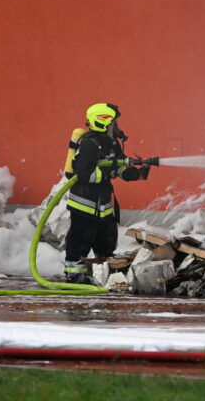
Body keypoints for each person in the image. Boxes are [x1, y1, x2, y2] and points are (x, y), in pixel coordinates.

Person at [63, 103, 150, 283]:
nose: (117, 127)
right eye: (114, 123)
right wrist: (109, 172)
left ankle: (103, 271)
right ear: (103, 122)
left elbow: (117, 167)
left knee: (107, 240)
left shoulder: (111, 144)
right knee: (80, 239)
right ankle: (74, 274)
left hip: (103, 203)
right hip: (84, 202)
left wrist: (136, 174)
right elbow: (84, 173)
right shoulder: (89, 144)